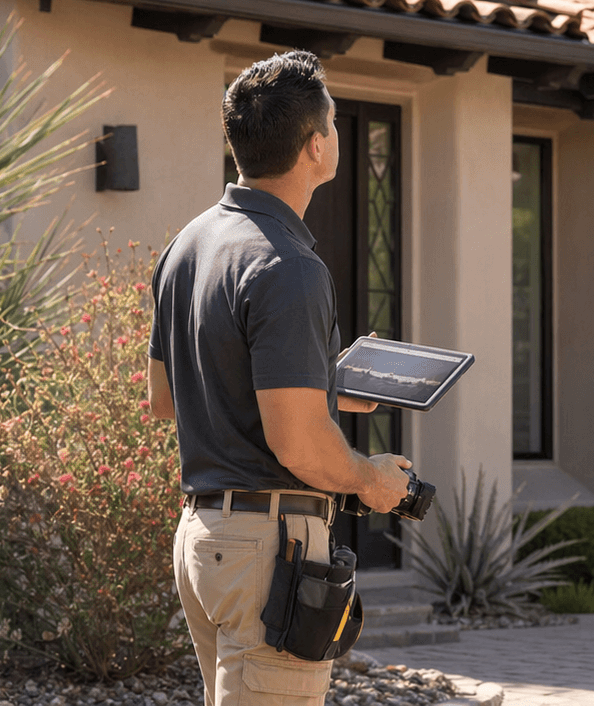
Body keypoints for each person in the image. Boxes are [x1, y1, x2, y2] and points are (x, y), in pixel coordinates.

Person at [146, 49, 411, 705]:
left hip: (206, 540)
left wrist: (320, 386)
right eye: (337, 128)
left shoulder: (189, 244)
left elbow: (165, 399)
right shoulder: (288, 264)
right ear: (316, 147)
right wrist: (373, 481)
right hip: (270, 550)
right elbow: (297, 445)